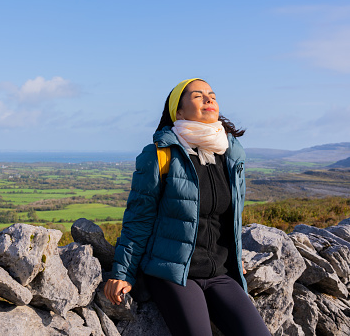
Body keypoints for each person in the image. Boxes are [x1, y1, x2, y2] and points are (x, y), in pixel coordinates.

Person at [104, 78, 270, 336]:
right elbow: (138, 218)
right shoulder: (160, 154)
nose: (209, 99)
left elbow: (229, 218)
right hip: (174, 273)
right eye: (197, 95)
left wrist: (236, 256)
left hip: (220, 271)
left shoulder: (230, 154)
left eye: (212, 94)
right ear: (178, 112)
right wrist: (122, 273)